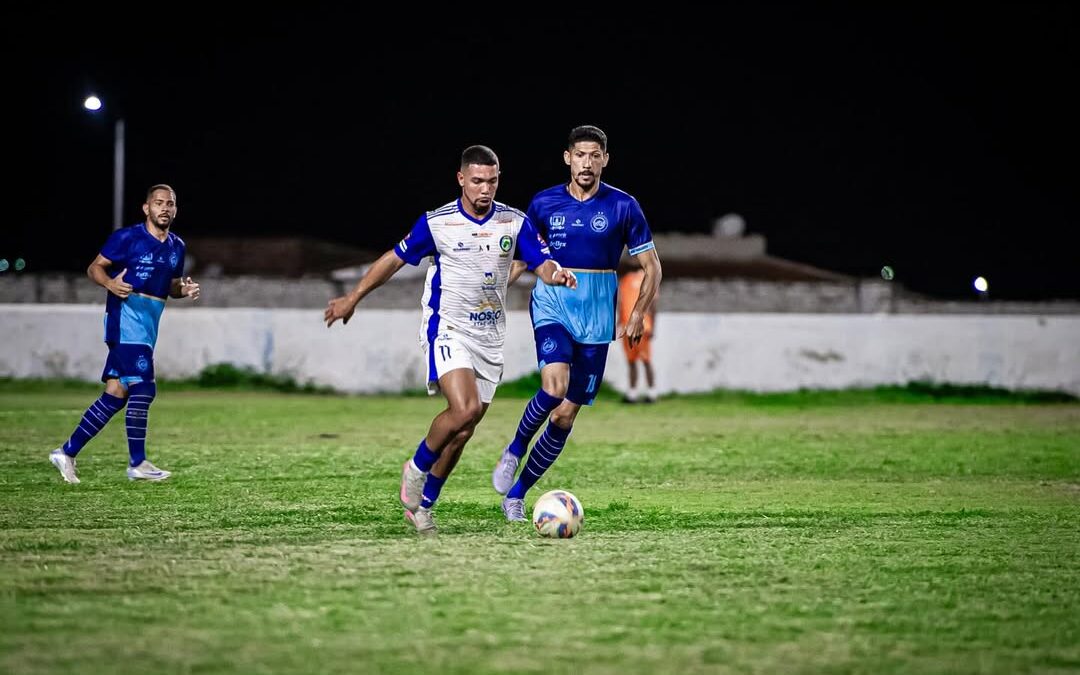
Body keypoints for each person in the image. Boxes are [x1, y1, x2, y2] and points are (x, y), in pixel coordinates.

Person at [324, 145, 576, 534]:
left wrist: (556, 273)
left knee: (465, 430)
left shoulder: (514, 223)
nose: (485, 189)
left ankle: (424, 506)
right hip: (448, 327)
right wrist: (352, 297)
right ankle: (416, 467)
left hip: (489, 336)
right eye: (477, 181)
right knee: (463, 408)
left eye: (492, 181)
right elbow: (393, 259)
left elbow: (541, 262)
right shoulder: (437, 223)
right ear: (461, 179)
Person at [493, 125, 662, 521]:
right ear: (568, 157)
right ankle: (514, 450)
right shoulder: (543, 203)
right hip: (553, 304)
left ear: (605, 159)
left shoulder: (623, 206)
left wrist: (637, 313)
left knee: (565, 415)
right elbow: (522, 260)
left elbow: (652, 267)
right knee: (553, 386)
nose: (587, 163)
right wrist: (492, 291)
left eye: (594, 155)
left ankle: (516, 496)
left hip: (597, 317)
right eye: (580, 155)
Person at [48, 184, 200, 484]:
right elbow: (95, 268)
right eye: (158, 203)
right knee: (144, 389)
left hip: (147, 327)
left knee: (117, 393)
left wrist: (184, 289)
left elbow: (170, 286)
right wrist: (110, 284)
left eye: (170, 203)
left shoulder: (177, 246)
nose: (164, 208)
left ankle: (66, 452)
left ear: (175, 210)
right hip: (124, 322)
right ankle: (137, 462)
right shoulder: (127, 237)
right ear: (147, 208)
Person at [618, 261, 658, 403]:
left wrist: (653, 325)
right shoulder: (624, 280)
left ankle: (652, 392)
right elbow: (621, 303)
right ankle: (632, 393)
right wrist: (619, 323)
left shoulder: (648, 279)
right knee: (631, 361)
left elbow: (653, 305)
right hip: (626, 326)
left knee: (646, 360)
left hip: (643, 327)